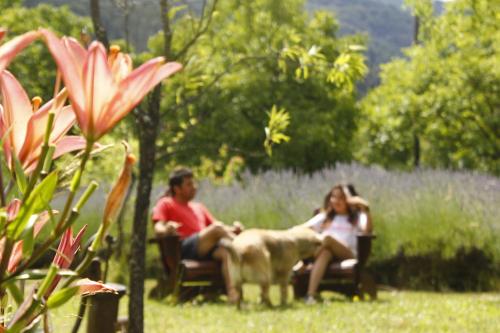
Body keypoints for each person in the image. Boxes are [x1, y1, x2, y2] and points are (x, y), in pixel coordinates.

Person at [152, 167, 242, 301]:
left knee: (225, 252)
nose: (194, 187)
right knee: (218, 229)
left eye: (193, 183)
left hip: (204, 248)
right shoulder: (166, 203)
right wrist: (167, 229)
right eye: (189, 184)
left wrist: (234, 230)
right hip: (183, 248)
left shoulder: (198, 207)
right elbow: (158, 227)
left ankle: (232, 294)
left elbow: (219, 228)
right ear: (177, 189)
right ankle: (244, 249)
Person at [300, 183, 373, 304]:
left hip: (348, 253)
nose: (336, 201)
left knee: (328, 238)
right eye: (333, 197)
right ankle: (310, 296)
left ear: (349, 201)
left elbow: (367, 231)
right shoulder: (324, 216)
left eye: (341, 198)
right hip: (326, 252)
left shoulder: (358, 216)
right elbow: (303, 228)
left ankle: (305, 260)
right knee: (325, 252)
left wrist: (365, 209)